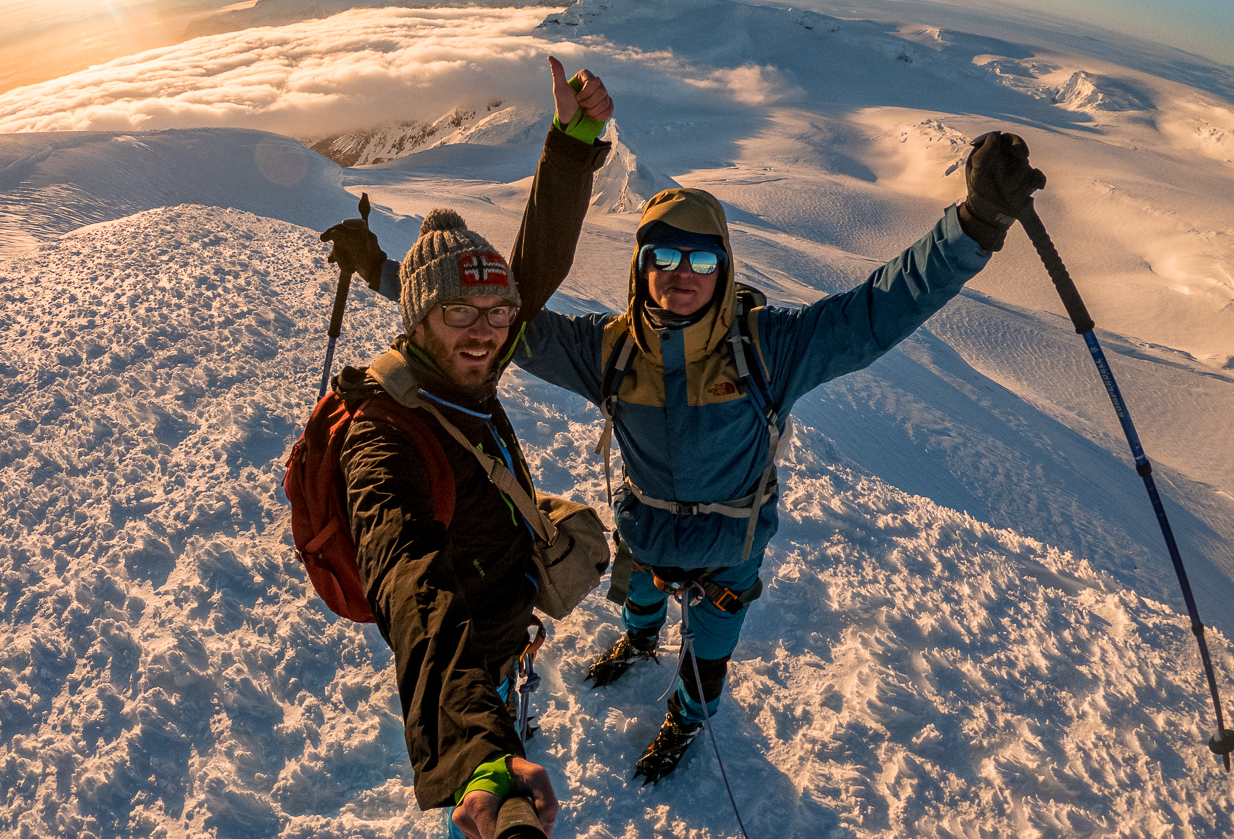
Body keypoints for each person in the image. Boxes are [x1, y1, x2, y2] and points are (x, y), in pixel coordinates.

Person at [330, 108, 1047, 784]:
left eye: (700, 260)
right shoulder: (607, 350)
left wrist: (974, 226)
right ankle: (640, 642)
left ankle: (687, 717)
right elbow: (493, 323)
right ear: (640, 266)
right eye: (662, 255)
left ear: (724, 268)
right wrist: (385, 273)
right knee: (639, 603)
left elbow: (878, 309)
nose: (680, 273)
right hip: (645, 530)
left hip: (728, 549)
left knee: (708, 652)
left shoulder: (770, 349)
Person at [326, 59, 613, 838]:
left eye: (496, 310)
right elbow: (411, 582)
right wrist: (480, 751)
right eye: (460, 310)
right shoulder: (384, 433)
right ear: (417, 319)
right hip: (468, 655)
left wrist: (572, 142)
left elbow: (536, 270)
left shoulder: (463, 368)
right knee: (487, 802)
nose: (487, 329)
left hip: (504, 617)